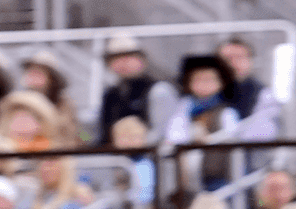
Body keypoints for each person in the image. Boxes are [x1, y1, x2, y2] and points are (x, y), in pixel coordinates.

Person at [164, 54, 240, 193]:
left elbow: (233, 136)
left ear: (221, 83)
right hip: (185, 178)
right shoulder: (182, 110)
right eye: (198, 80)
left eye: (209, 80)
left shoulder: (226, 112)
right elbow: (173, 136)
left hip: (216, 177)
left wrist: (210, 140)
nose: (204, 84)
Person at [97, 33, 179, 143]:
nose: (123, 63)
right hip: (115, 156)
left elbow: (165, 133)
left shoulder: (159, 90)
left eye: (129, 57)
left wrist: (132, 144)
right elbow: (100, 133)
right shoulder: (111, 95)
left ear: (143, 60)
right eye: (116, 58)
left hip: (150, 156)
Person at [216, 36, 281, 142]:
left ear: (251, 61)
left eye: (239, 57)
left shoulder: (263, 95)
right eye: (227, 59)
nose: (233, 64)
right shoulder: (203, 97)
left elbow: (265, 133)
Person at [18, 50, 78, 147]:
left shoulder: (64, 103)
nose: (32, 76)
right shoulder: (19, 102)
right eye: (30, 72)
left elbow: (75, 134)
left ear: (51, 78)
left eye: (38, 73)